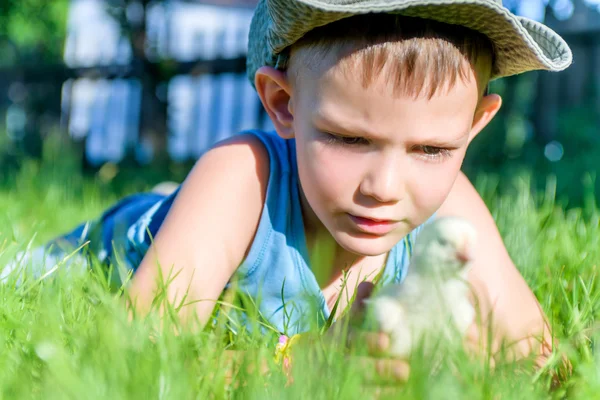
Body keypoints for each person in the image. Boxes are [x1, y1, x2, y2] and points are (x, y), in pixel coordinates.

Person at [8, 0, 572, 378]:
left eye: (432, 150)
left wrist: (462, 359)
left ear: (473, 127)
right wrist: (314, 365)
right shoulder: (241, 175)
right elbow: (133, 354)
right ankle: (176, 209)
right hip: (87, 256)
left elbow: (539, 355)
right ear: (284, 104)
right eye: (350, 139)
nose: (385, 187)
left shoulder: (447, 204)